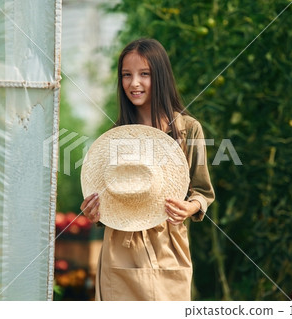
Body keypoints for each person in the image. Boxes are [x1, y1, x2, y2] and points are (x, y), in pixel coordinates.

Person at [80, 38, 215, 301]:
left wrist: (191, 207)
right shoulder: (114, 136)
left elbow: (202, 190)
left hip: (168, 245)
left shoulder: (187, 129)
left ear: (161, 77)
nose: (134, 83)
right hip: (119, 248)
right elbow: (104, 198)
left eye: (145, 74)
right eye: (126, 75)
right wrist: (93, 212)